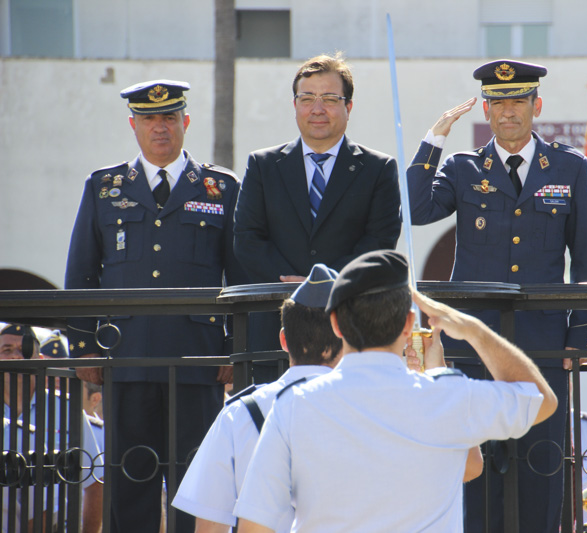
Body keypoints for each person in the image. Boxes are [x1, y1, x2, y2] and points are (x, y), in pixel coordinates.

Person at [232, 250, 558, 533]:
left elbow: (254, 524)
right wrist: (471, 328)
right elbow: (541, 400)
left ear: (335, 324)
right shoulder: (448, 396)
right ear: (409, 323)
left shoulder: (294, 404)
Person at [406, 59, 587, 532]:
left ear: (537, 105)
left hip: (543, 346)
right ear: (486, 112)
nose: (508, 112)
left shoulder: (569, 166)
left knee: (541, 468)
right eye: (497, 103)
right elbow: (415, 208)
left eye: (517, 101)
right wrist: (433, 140)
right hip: (474, 347)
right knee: (477, 473)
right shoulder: (463, 167)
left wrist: (580, 336)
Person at [65, 80, 248, 533]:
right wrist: (85, 346)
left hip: (198, 360)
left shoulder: (220, 188)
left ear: (185, 122)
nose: (159, 127)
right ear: (133, 125)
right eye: (149, 118)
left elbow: (240, 275)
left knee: (196, 483)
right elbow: (82, 273)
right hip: (126, 359)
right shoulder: (103, 187)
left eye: (169, 118)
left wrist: (233, 347)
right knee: (129, 485)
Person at [233, 53, 402, 382]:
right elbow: (247, 240)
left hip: (348, 332)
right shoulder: (263, 166)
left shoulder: (377, 169)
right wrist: (292, 283)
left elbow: (379, 243)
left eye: (329, 99)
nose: (317, 109)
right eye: (307, 98)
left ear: (348, 107)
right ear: (295, 105)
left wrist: (323, 284)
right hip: (273, 330)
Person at [171, 264, 343, 533]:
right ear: (349, 339)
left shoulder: (238, 413)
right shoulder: (372, 410)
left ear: (284, 341)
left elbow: (209, 525)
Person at [0, 323, 103, 533]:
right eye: (6, 350)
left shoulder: (67, 409)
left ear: (39, 361)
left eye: (24, 350)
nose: (16, 357)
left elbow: (95, 482)